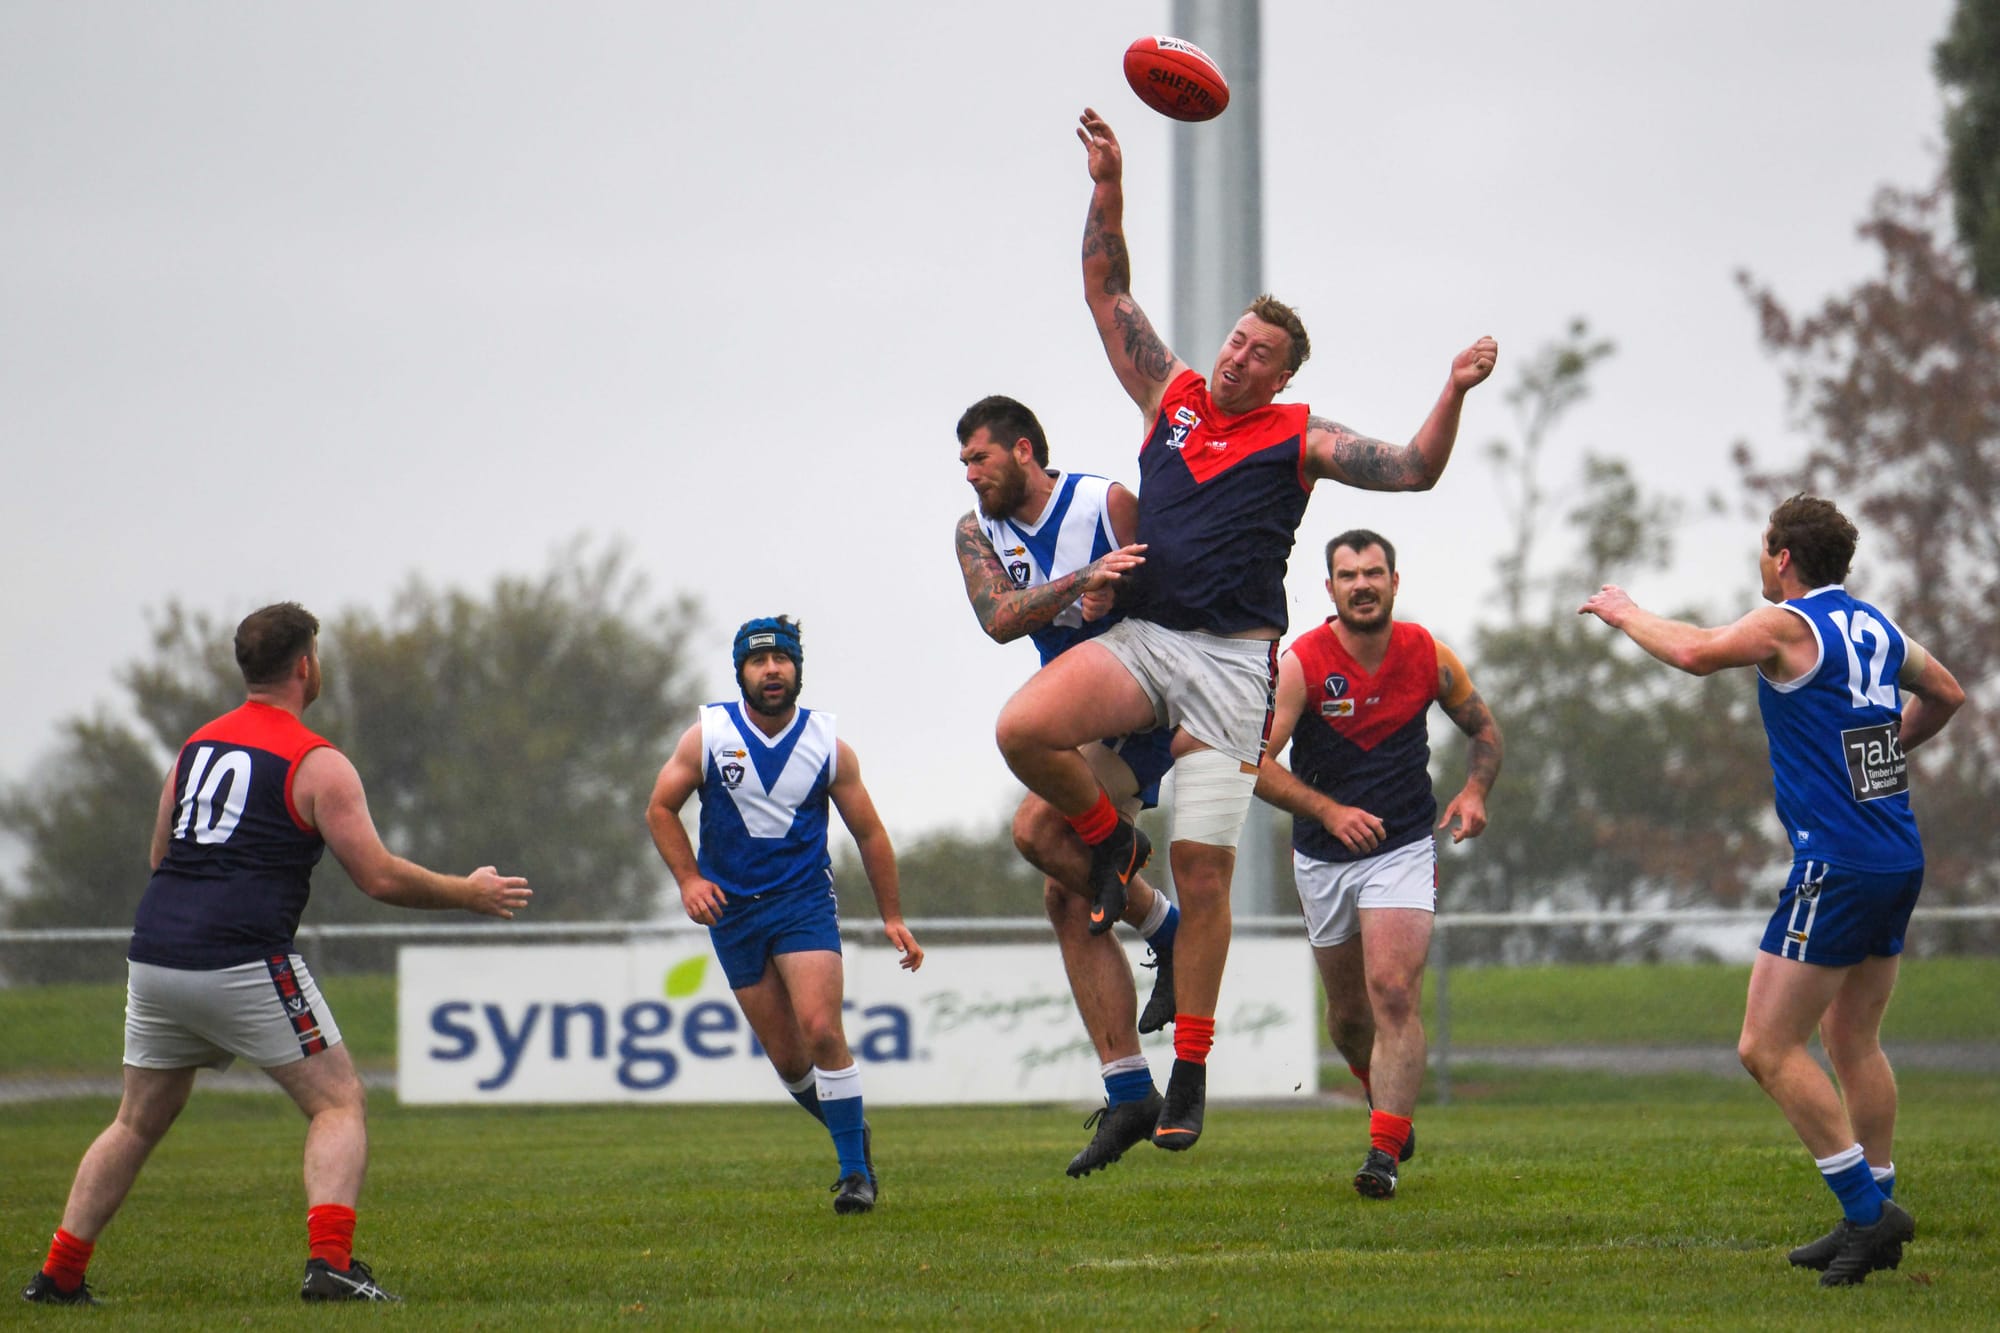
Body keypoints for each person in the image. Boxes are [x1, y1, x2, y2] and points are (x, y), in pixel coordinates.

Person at [992, 107, 1499, 1150]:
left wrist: (1449, 389)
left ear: (1281, 377)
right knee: (1021, 732)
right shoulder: (1170, 395)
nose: (1233, 357)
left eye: (1257, 352)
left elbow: (1411, 467)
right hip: (1148, 638)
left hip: (1230, 666)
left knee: (1205, 868)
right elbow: (1106, 292)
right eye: (1232, 338)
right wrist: (1107, 186)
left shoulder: (1296, 438)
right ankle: (1107, 841)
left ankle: (1189, 1070)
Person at [21, 603, 532, 1307]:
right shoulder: (316, 761)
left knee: (135, 1119)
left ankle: (59, 1275)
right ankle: (332, 1265)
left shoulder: (196, 748)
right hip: (243, 957)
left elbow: (161, 855)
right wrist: (467, 892)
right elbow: (378, 875)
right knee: (339, 1101)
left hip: (157, 954)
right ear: (304, 664)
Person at [1579, 494, 1963, 1288]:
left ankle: (1867, 1212)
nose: (1761, 560)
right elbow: (1949, 693)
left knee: (1764, 1045)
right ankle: (1873, 1211)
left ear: (1784, 556)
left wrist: (1624, 612)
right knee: (1853, 1040)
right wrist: (1885, 749)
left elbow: (1692, 652)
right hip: (1897, 853)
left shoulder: (1792, 626)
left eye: (1764, 547)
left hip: (1838, 862)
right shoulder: (1878, 629)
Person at [953, 393, 1184, 1178]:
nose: (969, 472)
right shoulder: (976, 531)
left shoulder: (1105, 499)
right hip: (1071, 719)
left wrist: (1120, 593)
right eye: (962, 462)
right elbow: (999, 616)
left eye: (978, 456)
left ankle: (1163, 925)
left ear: (1023, 449)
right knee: (1063, 892)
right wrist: (1081, 583)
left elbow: (1177, 593)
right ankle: (1130, 1087)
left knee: (1037, 832)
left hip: (1133, 706)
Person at [645, 616, 922, 1216]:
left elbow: (870, 834)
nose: (772, 670)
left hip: (802, 903)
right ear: (741, 671)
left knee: (822, 1030)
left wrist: (892, 916)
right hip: (732, 913)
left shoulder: (828, 745)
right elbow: (660, 809)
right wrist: (690, 880)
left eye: (782, 660)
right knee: (791, 1061)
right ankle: (853, 1133)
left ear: (798, 668)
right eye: (758, 661)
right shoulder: (708, 736)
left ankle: (854, 1175)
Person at [1255, 530, 1502, 1200]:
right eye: (1347, 574)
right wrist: (1330, 812)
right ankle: (1379, 1096)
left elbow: (1484, 729)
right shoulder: (1302, 663)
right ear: (1330, 589)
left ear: (1395, 582)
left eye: (1373, 572)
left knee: (1392, 989)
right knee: (1347, 1015)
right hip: (1322, 857)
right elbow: (1253, 763)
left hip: (1402, 847)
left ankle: (1383, 1151)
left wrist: (1475, 790)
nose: (1361, 583)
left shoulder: (1429, 654)